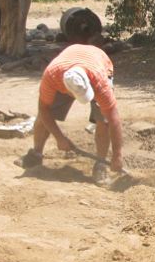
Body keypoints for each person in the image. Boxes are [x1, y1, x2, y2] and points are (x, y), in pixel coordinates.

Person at [17, 44, 124, 183]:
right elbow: (44, 110)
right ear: (66, 90)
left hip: (98, 61)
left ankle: (101, 164)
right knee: (45, 114)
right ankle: (36, 154)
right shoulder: (52, 76)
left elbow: (113, 119)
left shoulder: (100, 81)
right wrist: (59, 138)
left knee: (102, 120)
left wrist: (117, 155)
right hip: (67, 66)